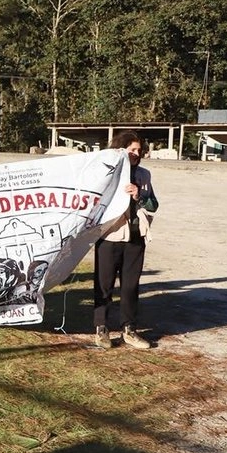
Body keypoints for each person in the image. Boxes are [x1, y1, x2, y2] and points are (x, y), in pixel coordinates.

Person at [93, 131, 159, 349]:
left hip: (135, 237)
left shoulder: (144, 175)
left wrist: (140, 195)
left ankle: (129, 330)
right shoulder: (104, 173)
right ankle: (101, 329)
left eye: (139, 150)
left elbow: (154, 205)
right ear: (120, 150)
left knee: (130, 286)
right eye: (132, 150)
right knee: (104, 285)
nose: (136, 154)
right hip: (109, 236)